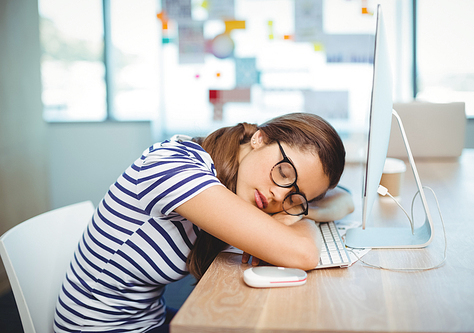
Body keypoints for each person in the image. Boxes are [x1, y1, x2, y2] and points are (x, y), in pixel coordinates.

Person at [53, 112, 354, 333]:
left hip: (146, 319)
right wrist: (295, 214)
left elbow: (345, 198)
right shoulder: (174, 166)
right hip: (99, 327)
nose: (278, 194)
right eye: (285, 173)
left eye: (295, 196)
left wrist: (305, 210)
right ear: (260, 138)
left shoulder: (236, 181)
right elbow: (303, 254)